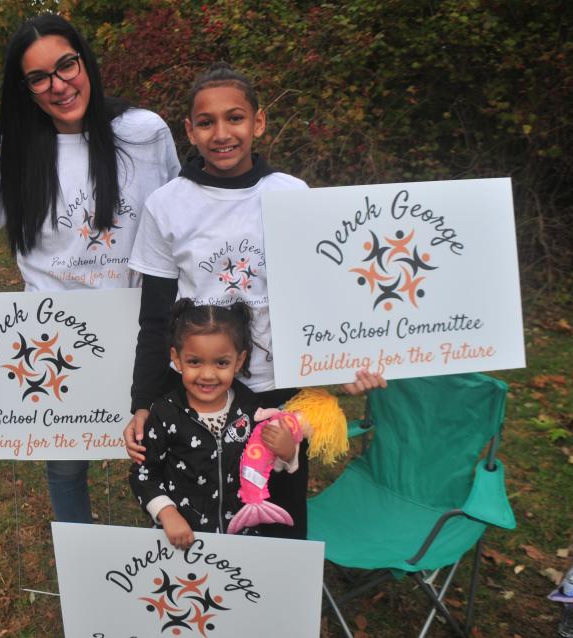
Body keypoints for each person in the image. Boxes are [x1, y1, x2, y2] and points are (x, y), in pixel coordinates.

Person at [0, 13, 180, 524]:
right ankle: (80, 563)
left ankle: (169, 559)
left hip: (146, 330)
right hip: (57, 342)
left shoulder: (145, 131)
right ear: (25, 89)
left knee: (161, 455)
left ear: (84, 61)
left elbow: (184, 216)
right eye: (39, 77)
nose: (59, 85)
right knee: (67, 468)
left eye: (66, 65)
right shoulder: (13, 154)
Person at [125, 62, 385, 540]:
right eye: (206, 122)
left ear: (258, 122)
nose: (221, 133)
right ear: (190, 130)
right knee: (201, 506)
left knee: (279, 511)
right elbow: (155, 315)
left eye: (235, 118)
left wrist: (345, 364)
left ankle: (276, 607)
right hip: (198, 393)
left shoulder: (292, 195)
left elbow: (324, 296)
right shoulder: (166, 205)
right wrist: (142, 402)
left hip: (274, 391)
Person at [130, 299, 299, 550]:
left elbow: (262, 462)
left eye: (221, 363)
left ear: (239, 361)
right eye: (195, 362)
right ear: (176, 359)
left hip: (242, 537)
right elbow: (144, 475)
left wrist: (287, 452)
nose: (208, 375)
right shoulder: (165, 414)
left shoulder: (251, 410)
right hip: (180, 539)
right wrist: (166, 513)